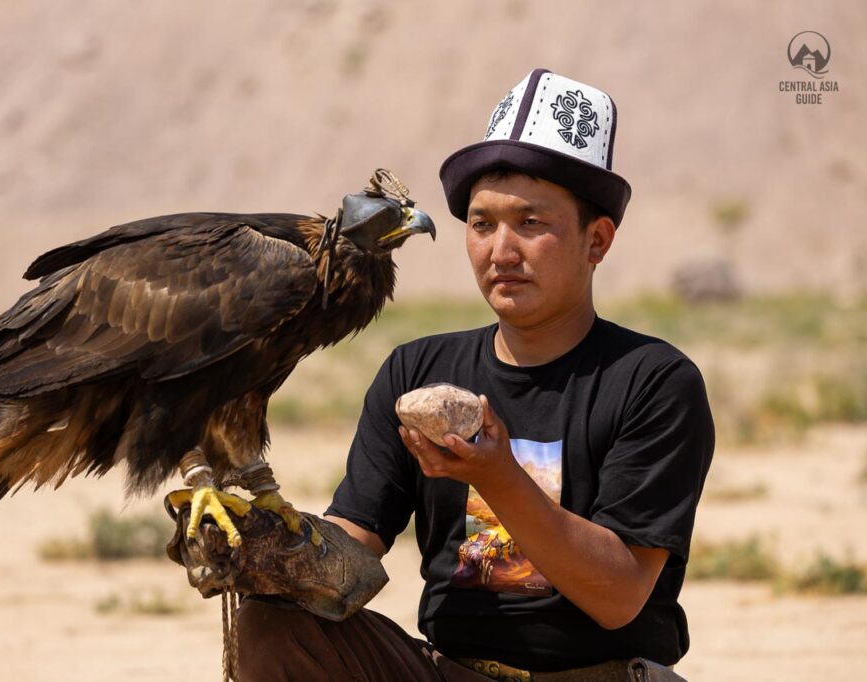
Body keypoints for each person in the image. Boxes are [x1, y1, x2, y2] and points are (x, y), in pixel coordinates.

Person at [237, 68, 714, 682]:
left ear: (597, 240)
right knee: (274, 622)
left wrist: (498, 476)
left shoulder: (652, 381)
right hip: (448, 671)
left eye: (531, 223)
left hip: (600, 673)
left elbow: (619, 595)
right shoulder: (418, 369)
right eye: (483, 224)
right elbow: (356, 540)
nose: (501, 251)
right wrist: (273, 550)